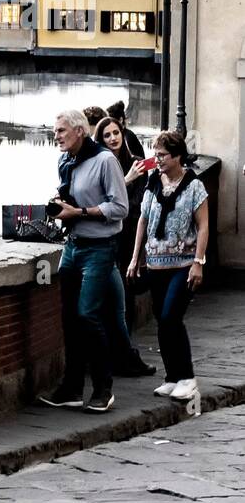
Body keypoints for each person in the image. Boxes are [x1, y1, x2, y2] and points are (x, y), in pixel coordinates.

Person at [38, 109, 129, 414]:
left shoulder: (105, 161)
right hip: (72, 246)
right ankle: (72, 388)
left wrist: (79, 213)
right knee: (69, 318)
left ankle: (104, 389)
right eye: (55, 131)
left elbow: (120, 208)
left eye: (61, 130)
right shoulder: (66, 161)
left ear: (79, 131)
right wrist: (60, 202)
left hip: (100, 248)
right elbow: (71, 194)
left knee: (88, 315)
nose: (56, 136)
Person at [127, 131, 210, 403]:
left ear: (177, 156)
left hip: (183, 264)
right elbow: (143, 219)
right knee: (162, 321)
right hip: (154, 264)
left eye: (162, 155)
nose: (157, 159)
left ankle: (188, 378)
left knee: (172, 316)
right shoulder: (154, 181)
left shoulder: (194, 186)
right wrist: (135, 256)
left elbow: (203, 225)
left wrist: (198, 262)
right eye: (156, 154)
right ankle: (172, 377)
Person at [95, 115, 157, 376]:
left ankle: (125, 356)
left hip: (129, 238)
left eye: (116, 133)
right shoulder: (98, 165)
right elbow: (102, 203)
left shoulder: (135, 164)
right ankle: (111, 356)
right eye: (107, 135)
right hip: (106, 239)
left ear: (123, 134)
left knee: (126, 297)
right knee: (106, 300)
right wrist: (126, 180)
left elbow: (135, 207)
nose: (113, 138)